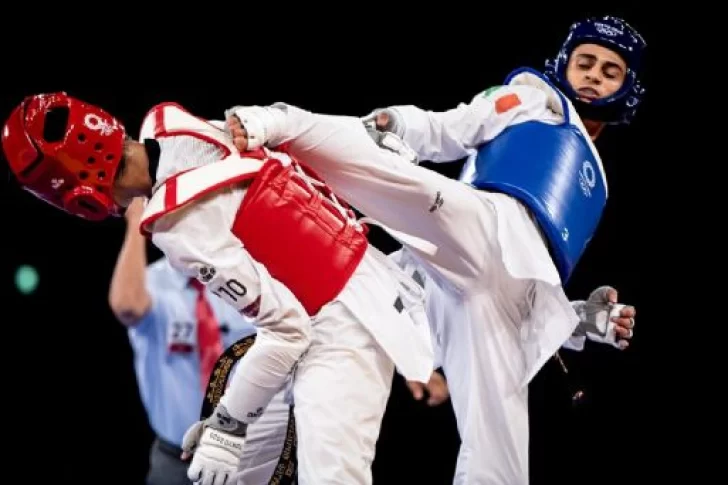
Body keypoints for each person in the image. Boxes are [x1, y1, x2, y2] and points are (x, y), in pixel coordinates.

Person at [220, 14, 643, 484]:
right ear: (564, 63)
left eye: (610, 71)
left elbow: (528, 279)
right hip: (478, 227)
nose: (593, 75)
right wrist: (400, 122)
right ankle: (276, 122)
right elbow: (453, 127)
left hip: (490, 301)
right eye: (585, 62)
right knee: (396, 180)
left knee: (500, 462)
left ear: (628, 88)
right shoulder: (534, 98)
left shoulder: (594, 185)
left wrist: (575, 319)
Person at [1, 94, 436, 485]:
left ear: (79, 191)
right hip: (357, 274)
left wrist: (229, 422)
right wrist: (224, 422)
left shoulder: (181, 229)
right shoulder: (175, 126)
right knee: (231, 470)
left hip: (344, 321)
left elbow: (288, 330)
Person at [109, 197, 291, 485]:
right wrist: (135, 224)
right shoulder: (151, 283)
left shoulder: (245, 277)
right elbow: (127, 306)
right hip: (174, 461)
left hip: (243, 454)